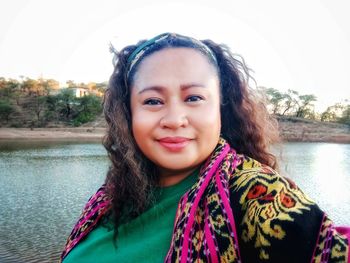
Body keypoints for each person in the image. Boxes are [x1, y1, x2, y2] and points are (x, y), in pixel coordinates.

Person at [59, 33, 349, 263]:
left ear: (221, 108)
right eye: (152, 101)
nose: (174, 120)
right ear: (129, 114)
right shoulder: (110, 195)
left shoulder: (254, 192)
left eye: (194, 98)